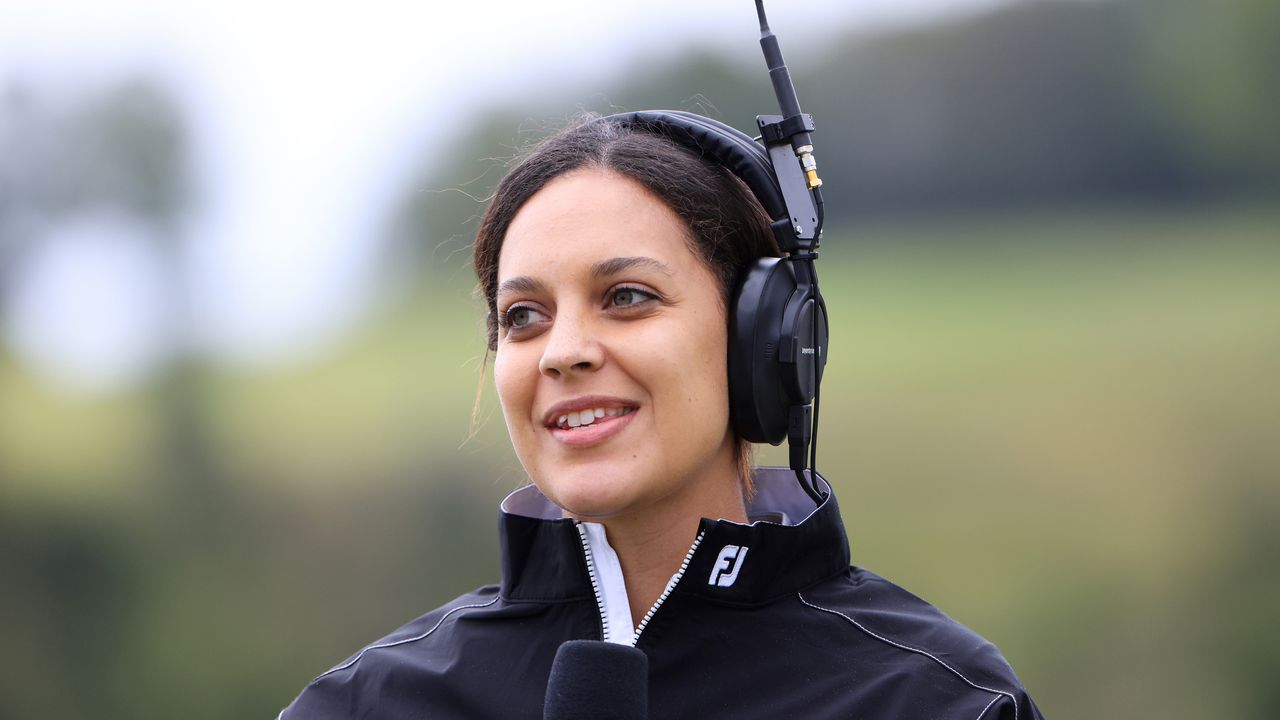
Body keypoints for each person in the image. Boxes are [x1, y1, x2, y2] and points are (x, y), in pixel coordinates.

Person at [278, 116, 1045, 719]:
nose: (563, 352)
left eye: (626, 297)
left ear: (761, 338)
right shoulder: (367, 706)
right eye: (523, 316)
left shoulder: (937, 701)